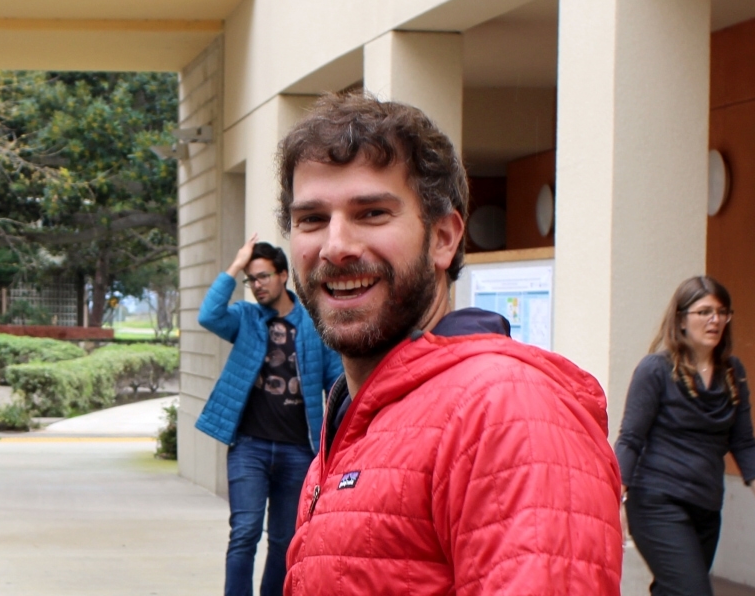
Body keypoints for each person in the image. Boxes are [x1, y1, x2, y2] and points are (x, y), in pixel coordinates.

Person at [278, 92, 623, 594]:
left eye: (371, 213)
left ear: (444, 237)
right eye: (311, 219)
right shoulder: (359, 412)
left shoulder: (506, 411)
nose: (335, 246)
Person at [615, 276, 755, 596]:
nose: (715, 320)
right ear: (681, 319)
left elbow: (743, 442)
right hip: (657, 501)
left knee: (675, 590)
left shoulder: (732, 373)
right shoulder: (655, 369)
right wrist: (613, 500)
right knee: (692, 591)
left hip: (706, 505)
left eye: (722, 312)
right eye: (705, 312)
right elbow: (630, 439)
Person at [196, 239, 343, 596]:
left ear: (282, 275)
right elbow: (208, 315)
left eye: (263, 276)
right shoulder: (246, 319)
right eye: (251, 279)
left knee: (283, 540)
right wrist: (235, 265)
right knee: (244, 532)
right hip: (250, 447)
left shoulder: (312, 324)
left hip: (297, 450)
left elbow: (337, 382)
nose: (257, 285)